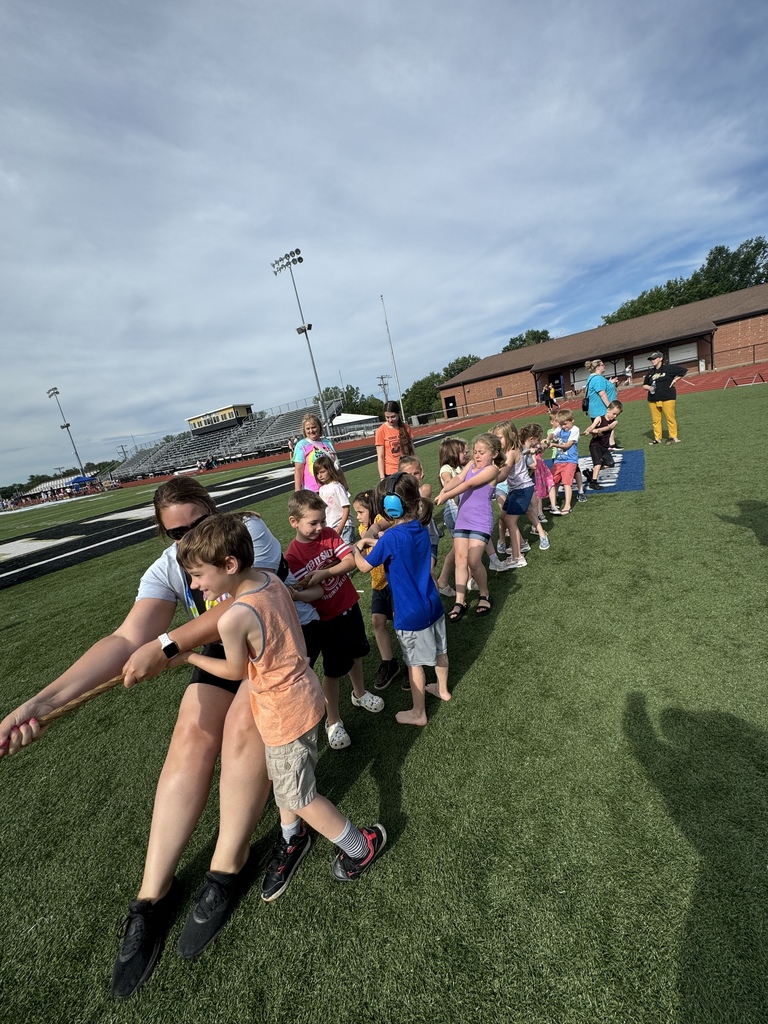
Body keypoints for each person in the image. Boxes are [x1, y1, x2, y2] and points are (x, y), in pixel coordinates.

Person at [0, 477, 284, 999]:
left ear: (213, 510)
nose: (190, 536)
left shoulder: (246, 533)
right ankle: (152, 895)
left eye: (199, 521)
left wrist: (168, 645)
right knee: (190, 735)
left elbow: (242, 606)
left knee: (245, 726)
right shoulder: (169, 567)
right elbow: (128, 638)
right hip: (221, 651)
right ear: (165, 535)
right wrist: (43, 701)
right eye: (177, 532)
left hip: (277, 649)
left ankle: (229, 865)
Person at [175, 514, 386, 898]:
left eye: (198, 575)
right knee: (286, 780)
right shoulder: (269, 580)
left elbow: (235, 670)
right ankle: (293, 833)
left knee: (298, 796)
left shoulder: (234, 618)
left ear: (229, 565)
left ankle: (360, 846)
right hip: (300, 697)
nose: (194, 585)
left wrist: (187, 656)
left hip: (284, 712)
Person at [285, 490, 384, 750]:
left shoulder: (329, 534)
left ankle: (359, 693)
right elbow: (312, 592)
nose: (320, 527)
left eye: (322, 521)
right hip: (326, 619)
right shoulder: (292, 557)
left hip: (348, 604)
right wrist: (299, 594)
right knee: (333, 670)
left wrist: (325, 572)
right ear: (294, 522)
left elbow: (350, 561)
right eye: (313, 523)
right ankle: (333, 720)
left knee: (357, 653)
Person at [354, 474, 449, 725]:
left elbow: (363, 566)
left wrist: (355, 548)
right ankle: (443, 690)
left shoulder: (391, 538)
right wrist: (375, 541)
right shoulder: (420, 526)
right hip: (433, 605)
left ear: (390, 507)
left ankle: (418, 713)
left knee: (414, 664)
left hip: (410, 614)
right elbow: (397, 544)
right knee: (441, 651)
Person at [435, 433, 505, 620]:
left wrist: (446, 496)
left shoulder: (492, 470)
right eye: (475, 452)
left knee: (474, 561)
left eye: (482, 452)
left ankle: (484, 594)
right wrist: (444, 489)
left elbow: (468, 484)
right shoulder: (470, 465)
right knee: (460, 560)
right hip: (463, 519)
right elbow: (458, 479)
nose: (477, 456)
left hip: (480, 521)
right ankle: (460, 601)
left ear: (494, 453)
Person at [352, 489, 402, 691]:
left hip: (393, 582)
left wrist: (369, 536)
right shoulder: (362, 528)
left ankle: (412, 664)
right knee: (377, 621)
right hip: (378, 583)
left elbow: (379, 529)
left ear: (372, 508)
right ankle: (389, 663)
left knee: (400, 623)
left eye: (360, 512)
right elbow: (364, 553)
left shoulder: (383, 519)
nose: (358, 517)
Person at [495, 421, 550, 567]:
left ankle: (517, 557)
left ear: (511, 436)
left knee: (510, 521)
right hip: (516, 489)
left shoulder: (511, 453)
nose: (497, 441)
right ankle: (528, 542)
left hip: (522, 489)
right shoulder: (512, 449)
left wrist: (487, 479)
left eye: (500, 438)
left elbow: (503, 474)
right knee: (504, 516)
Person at [435, 437, 469, 598]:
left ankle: (463, 579)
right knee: (462, 548)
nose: (466, 454)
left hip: (458, 510)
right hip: (455, 512)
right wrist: (449, 486)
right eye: (462, 451)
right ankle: (444, 580)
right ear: (453, 454)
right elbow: (448, 480)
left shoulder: (460, 467)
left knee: (461, 547)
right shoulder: (446, 468)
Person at [292, 413, 347, 492]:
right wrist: (297, 490)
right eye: (308, 428)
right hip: (313, 490)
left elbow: (336, 464)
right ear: (304, 430)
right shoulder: (301, 445)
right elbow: (298, 470)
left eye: (313, 427)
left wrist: (343, 482)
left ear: (319, 427)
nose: (311, 431)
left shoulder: (327, 442)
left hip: (333, 486)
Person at [643, 351, 688, 444]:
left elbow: (684, 371)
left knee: (670, 418)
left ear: (661, 358)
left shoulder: (669, 368)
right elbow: (644, 385)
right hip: (653, 399)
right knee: (656, 420)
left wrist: (675, 380)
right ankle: (657, 438)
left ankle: (674, 437)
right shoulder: (650, 373)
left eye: (654, 359)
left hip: (667, 397)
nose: (652, 361)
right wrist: (649, 387)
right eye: (651, 359)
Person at [313, 454, 353, 544]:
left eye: (322, 472)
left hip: (344, 525)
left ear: (330, 470)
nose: (319, 475)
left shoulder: (337, 487)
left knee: (348, 548)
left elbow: (346, 507)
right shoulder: (321, 489)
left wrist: (341, 526)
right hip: (331, 525)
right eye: (317, 473)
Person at [547, 411, 580, 516]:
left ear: (572, 420)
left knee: (567, 483)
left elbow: (567, 446)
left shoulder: (575, 430)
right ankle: (554, 503)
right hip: (558, 460)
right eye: (561, 424)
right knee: (552, 481)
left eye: (565, 424)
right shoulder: (560, 428)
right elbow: (553, 434)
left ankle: (567, 505)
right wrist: (548, 439)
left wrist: (553, 445)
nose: (563, 426)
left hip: (570, 460)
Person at [584, 400, 624, 488]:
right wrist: (588, 430)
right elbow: (592, 426)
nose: (615, 416)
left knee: (610, 463)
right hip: (595, 445)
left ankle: (591, 473)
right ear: (608, 409)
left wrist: (598, 430)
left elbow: (609, 427)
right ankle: (593, 483)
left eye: (617, 415)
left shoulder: (615, 422)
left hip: (604, 446)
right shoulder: (599, 418)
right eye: (614, 413)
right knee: (598, 463)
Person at [375, 401, 414, 479]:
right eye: (387, 417)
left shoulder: (406, 427)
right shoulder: (380, 431)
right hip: (391, 474)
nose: (390, 420)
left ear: (398, 414)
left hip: (407, 470)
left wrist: (419, 466)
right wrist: (382, 477)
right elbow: (380, 456)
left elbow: (412, 450)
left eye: (393, 417)